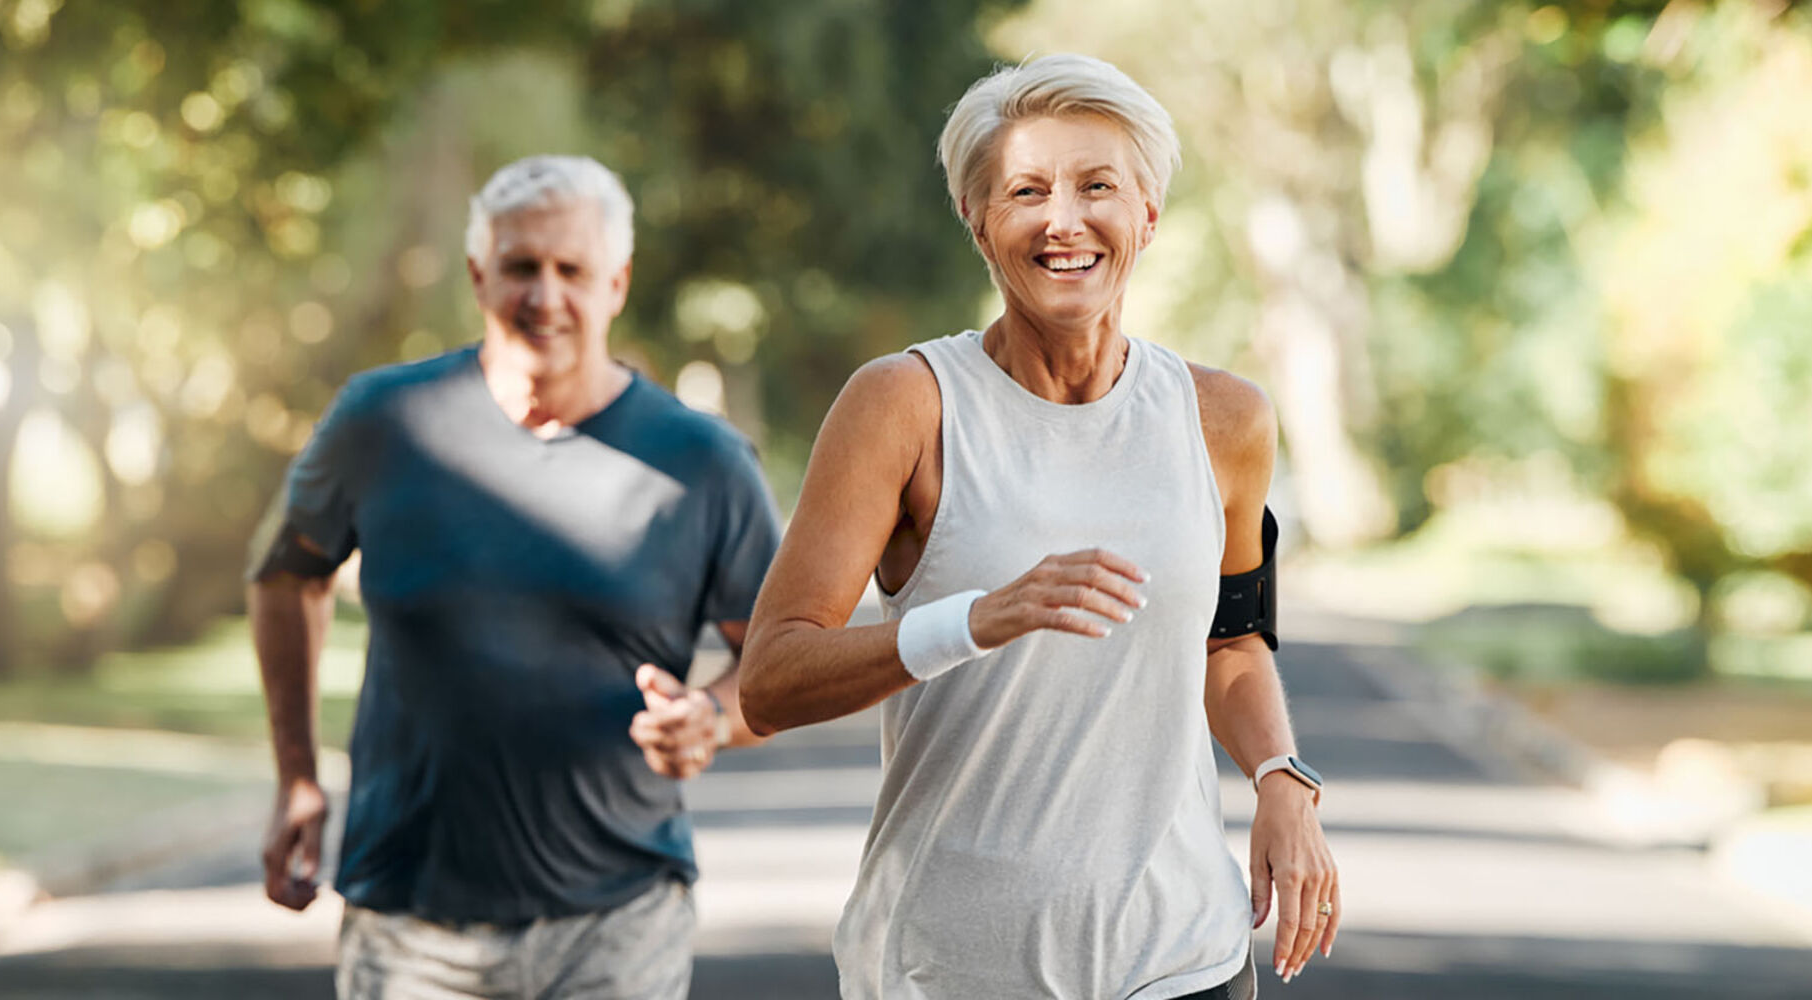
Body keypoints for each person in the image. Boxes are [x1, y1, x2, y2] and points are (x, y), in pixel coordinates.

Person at [737, 55, 1338, 999]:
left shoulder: (1225, 419)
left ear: (1146, 214)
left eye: (1098, 186)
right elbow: (771, 680)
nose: (1064, 220)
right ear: (979, 222)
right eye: (1026, 191)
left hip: (1182, 960)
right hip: (948, 968)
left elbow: (1231, 641)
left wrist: (1279, 775)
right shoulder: (906, 406)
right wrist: (977, 620)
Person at [247, 154, 782, 1000]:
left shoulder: (705, 464)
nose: (545, 295)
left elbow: (787, 660)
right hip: (410, 923)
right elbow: (287, 577)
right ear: (478, 275)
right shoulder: (383, 422)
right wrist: (297, 776)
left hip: (620, 918)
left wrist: (712, 717)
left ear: (617, 283)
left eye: (572, 270)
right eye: (521, 267)